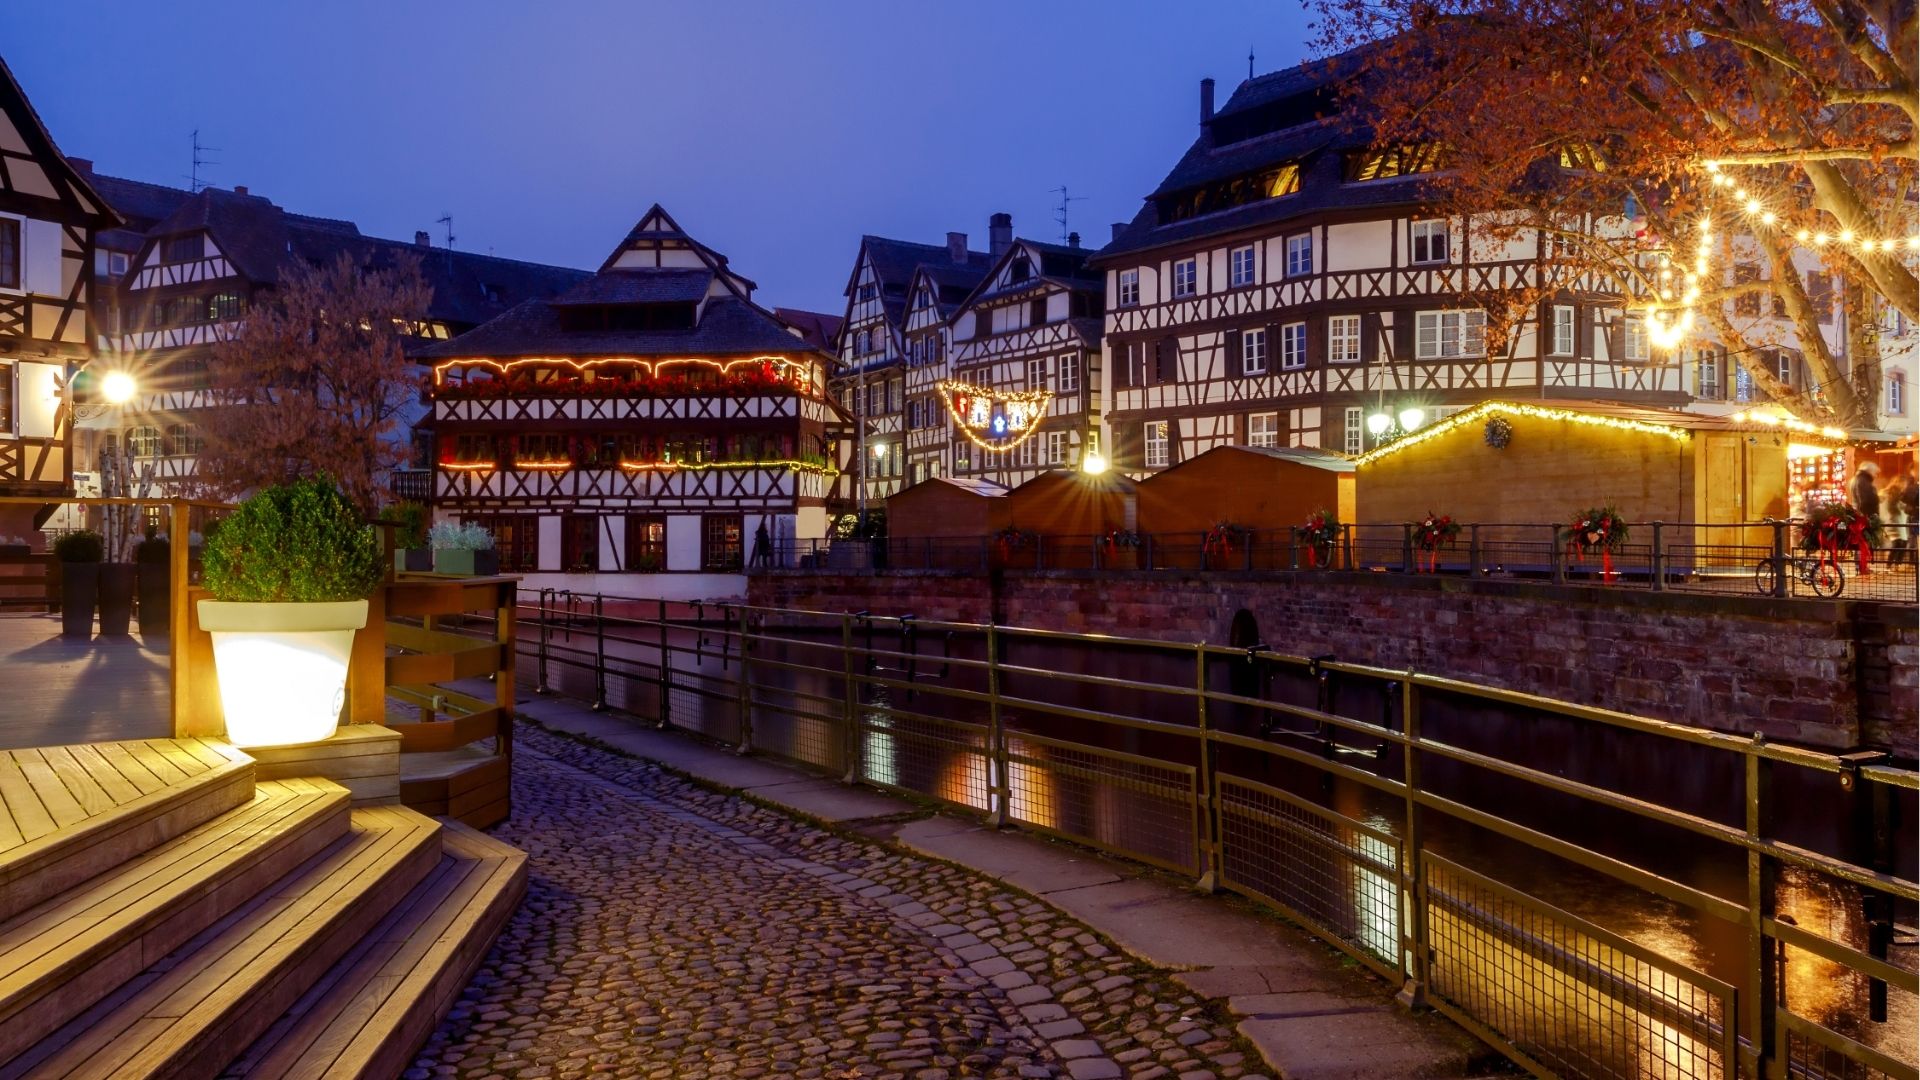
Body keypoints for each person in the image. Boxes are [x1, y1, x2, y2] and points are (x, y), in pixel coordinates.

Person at [1886, 475, 1913, 567]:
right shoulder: (1894, 492)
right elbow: (1894, 506)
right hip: (1896, 521)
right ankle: (1892, 564)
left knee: (1900, 543)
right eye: (1904, 483)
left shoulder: (1899, 493)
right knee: (1899, 543)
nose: (1905, 485)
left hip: (1899, 520)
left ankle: (1894, 564)